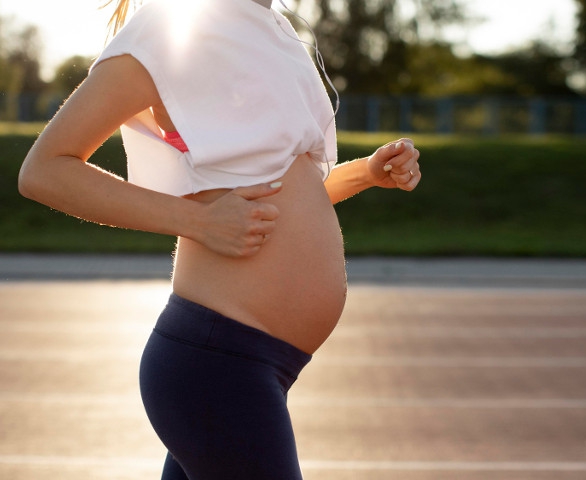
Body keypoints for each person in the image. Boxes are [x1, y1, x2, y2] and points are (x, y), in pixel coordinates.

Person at [18, 0, 420, 478]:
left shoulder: (278, 32)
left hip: (251, 363)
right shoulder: (170, 26)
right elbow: (45, 170)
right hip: (218, 361)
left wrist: (367, 174)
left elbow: (274, 197)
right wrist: (198, 220)